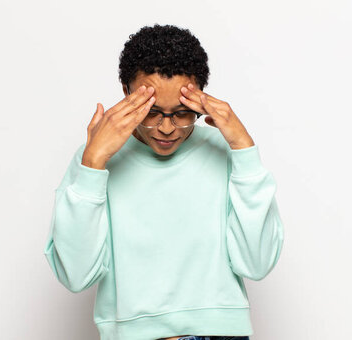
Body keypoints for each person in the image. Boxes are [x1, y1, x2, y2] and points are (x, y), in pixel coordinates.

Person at [43, 24, 284, 340]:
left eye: (183, 113)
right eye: (152, 111)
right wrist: (92, 165)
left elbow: (258, 264)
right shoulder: (96, 159)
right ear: (127, 93)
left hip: (221, 334)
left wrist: (243, 148)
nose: (167, 127)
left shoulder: (224, 152)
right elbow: (75, 276)